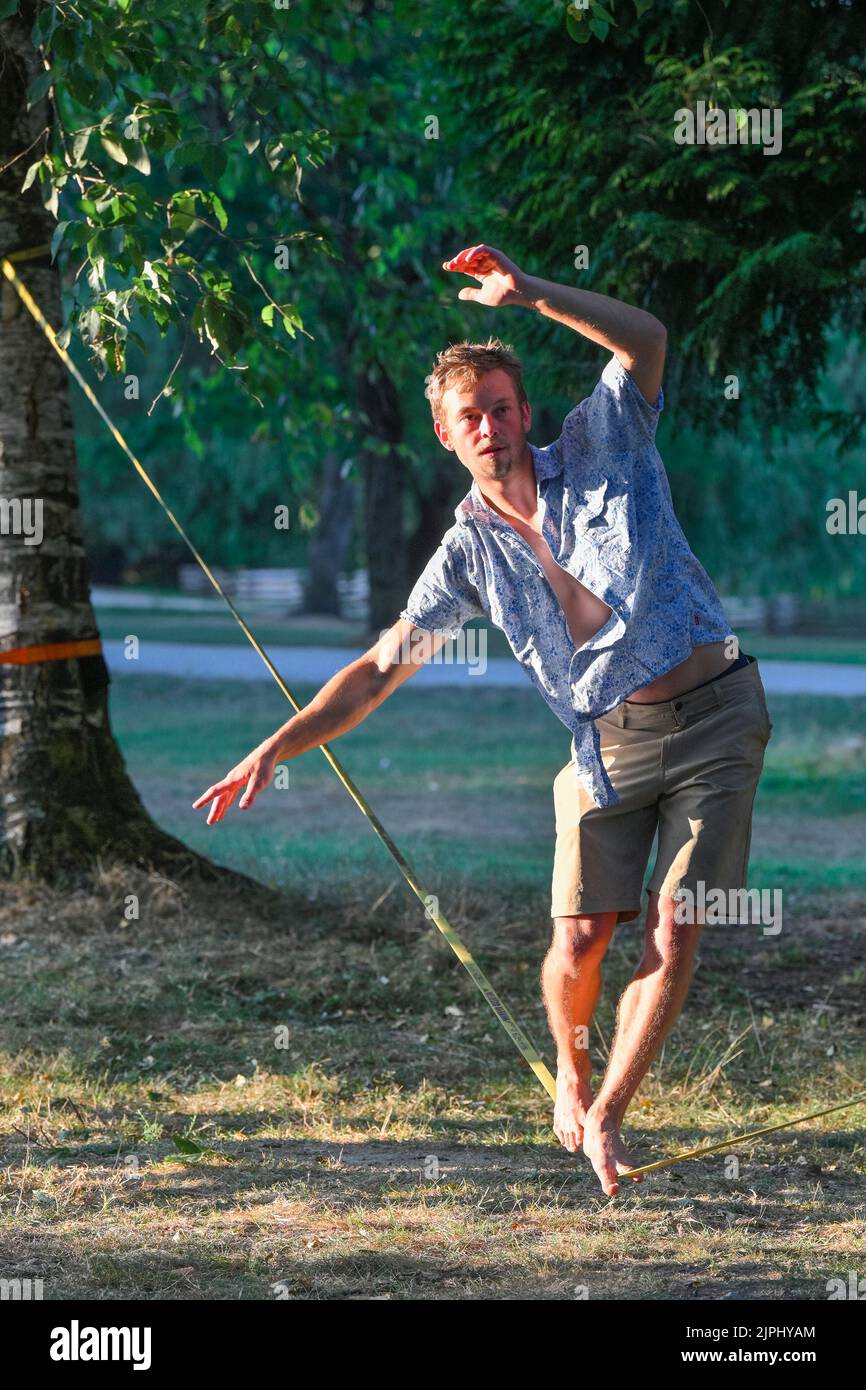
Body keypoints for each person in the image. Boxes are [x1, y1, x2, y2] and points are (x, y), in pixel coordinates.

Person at [193, 244, 773, 1197]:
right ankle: (574, 1073)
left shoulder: (604, 442)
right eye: (473, 416)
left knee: (676, 922)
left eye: (503, 407)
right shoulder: (465, 554)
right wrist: (274, 745)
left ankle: (608, 1119)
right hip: (603, 742)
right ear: (446, 434)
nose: (493, 426)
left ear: (525, 414)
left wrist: (532, 294)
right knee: (580, 942)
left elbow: (648, 340)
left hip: (715, 714)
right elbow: (379, 669)